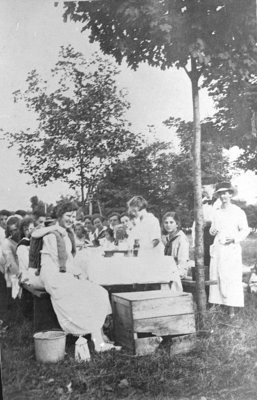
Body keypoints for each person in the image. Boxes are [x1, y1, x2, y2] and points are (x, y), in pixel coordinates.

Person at [32, 202, 115, 351]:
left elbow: (69, 259)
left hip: (63, 273)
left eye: (73, 216)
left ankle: (98, 338)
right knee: (86, 293)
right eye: (68, 215)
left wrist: (80, 273)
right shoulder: (51, 235)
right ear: (60, 215)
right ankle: (97, 339)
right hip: (53, 275)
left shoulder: (65, 232)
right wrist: (78, 273)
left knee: (98, 291)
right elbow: (60, 262)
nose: (71, 219)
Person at [209, 182, 250, 318]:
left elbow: (245, 230)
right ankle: (217, 305)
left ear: (231, 194)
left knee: (230, 276)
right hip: (218, 248)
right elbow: (213, 229)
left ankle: (231, 309)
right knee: (216, 274)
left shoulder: (238, 211)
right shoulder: (216, 212)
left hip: (231, 249)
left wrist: (234, 239)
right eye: (221, 193)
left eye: (226, 192)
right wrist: (212, 230)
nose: (223, 196)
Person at [162, 212, 190, 279]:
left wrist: (170, 273)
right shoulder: (167, 238)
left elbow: (182, 262)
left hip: (178, 272)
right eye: (166, 222)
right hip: (168, 270)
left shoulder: (181, 239)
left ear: (177, 224)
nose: (168, 225)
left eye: (171, 222)